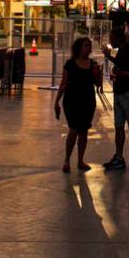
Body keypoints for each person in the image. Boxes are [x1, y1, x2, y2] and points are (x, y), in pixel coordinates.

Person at [54, 37, 102, 173]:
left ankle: (80, 160)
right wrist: (56, 101)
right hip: (72, 101)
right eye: (86, 46)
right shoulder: (70, 64)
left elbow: (98, 84)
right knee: (73, 129)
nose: (89, 48)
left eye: (90, 46)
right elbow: (63, 83)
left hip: (87, 101)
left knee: (84, 131)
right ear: (79, 48)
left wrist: (97, 73)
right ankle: (67, 160)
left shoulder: (92, 64)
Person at [102, 26, 129, 170]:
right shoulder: (121, 51)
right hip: (119, 93)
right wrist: (109, 57)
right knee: (119, 127)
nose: (110, 41)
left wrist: (120, 74)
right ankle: (119, 157)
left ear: (118, 38)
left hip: (128, 93)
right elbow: (120, 65)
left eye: (111, 38)